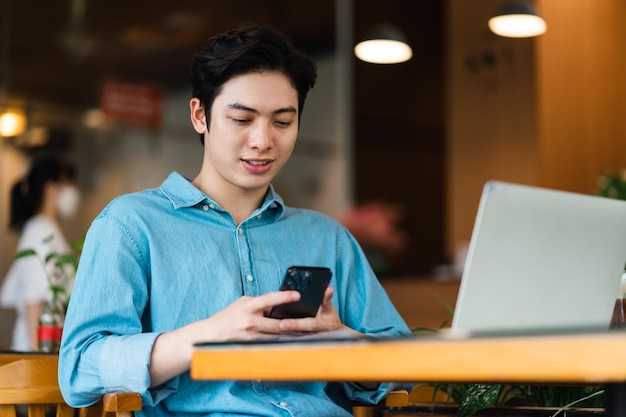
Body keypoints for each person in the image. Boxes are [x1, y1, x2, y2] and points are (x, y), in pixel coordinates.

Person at [58, 26, 412, 416]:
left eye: (282, 122)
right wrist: (208, 335)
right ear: (200, 116)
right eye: (242, 119)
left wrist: (345, 343)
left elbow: (404, 366)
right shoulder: (131, 225)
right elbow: (80, 367)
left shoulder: (327, 238)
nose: (263, 141)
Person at [1, 155, 80, 351]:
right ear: (51, 189)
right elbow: (34, 303)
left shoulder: (46, 230)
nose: (72, 191)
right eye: (67, 183)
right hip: (38, 348)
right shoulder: (41, 233)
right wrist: (38, 360)